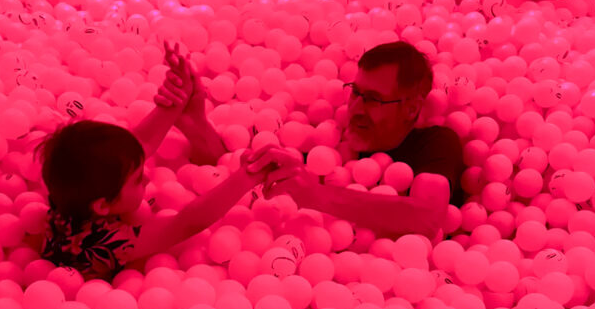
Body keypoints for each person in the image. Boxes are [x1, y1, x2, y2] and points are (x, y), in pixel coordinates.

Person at [35, 43, 289, 281]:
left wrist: (175, 101)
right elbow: (186, 223)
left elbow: (139, 144)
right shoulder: (106, 243)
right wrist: (246, 177)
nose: (146, 177)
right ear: (102, 206)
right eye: (137, 180)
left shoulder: (68, 191)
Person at [264, 41, 466, 239]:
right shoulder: (327, 136)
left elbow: (426, 218)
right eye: (355, 92)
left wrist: (318, 195)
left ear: (411, 109)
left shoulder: (437, 143)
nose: (355, 108)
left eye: (373, 99)